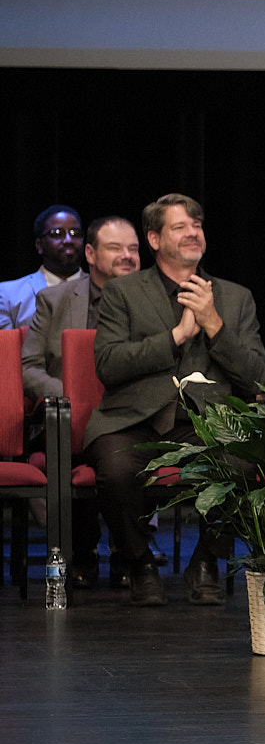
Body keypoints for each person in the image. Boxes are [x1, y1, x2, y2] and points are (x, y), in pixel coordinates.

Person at [85, 193, 265, 606]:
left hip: (206, 423)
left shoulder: (235, 297)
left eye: (197, 225)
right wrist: (177, 336)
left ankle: (205, 561)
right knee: (115, 470)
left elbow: (258, 377)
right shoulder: (123, 292)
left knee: (243, 462)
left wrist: (215, 325)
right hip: (133, 421)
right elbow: (108, 364)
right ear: (154, 239)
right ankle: (139, 564)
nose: (193, 233)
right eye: (180, 226)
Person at [21, 216, 141, 589]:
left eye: (134, 249)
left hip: (131, 416)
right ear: (90, 254)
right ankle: (82, 551)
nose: (127, 256)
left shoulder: (152, 301)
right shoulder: (54, 300)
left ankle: (128, 552)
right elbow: (29, 367)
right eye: (115, 248)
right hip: (67, 416)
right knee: (73, 435)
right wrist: (70, 391)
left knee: (135, 444)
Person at [0, 204, 85, 329]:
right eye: (57, 233)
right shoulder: (8, 294)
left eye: (75, 233)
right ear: (39, 245)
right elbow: (6, 341)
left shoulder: (102, 290)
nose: (68, 240)